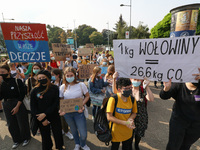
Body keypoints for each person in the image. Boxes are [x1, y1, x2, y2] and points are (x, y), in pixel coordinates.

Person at [159, 68, 200, 150]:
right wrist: (166, 89)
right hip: (178, 122)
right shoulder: (179, 83)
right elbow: (164, 96)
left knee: (185, 146)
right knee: (173, 145)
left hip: (196, 126)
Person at [30, 70, 64, 150]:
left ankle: (59, 146)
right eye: (40, 78)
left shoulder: (55, 88)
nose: (41, 79)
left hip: (54, 115)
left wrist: (45, 113)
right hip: (41, 117)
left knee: (57, 132)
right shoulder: (34, 90)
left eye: (43, 77)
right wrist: (42, 119)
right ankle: (48, 147)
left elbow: (56, 103)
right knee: (45, 135)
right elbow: (33, 107)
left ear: (48, 77)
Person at [0, 64, 31, 149]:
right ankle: (16, 140)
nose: (1, 74)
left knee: (22, 122)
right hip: (6, 104)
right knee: (11, 123)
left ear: (9, 72)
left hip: (18, 103)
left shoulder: (17, 81)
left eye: (3, 72)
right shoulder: (1, 83)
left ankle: (26, 138)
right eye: (0, 72)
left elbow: (22, 95)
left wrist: (17, 106)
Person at [59, 67, 90, 150]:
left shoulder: (81, 85)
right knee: (73, 130)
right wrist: (62, 109)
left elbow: (87, 96)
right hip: (68, 114)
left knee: (83, 133)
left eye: (71, 75)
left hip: (79, 112)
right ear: (64, 76)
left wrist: (81, 105)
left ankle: (83, 144)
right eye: (67, 76)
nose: (69, 77)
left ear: (75, 75)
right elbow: (61, 100)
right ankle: (77, 144)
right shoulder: (62, 87)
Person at [106, 77, 137, 150]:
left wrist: (130, 119)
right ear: (119, 89)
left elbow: (134, 113)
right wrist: (125, 123)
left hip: (128, 132)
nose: (129, 90)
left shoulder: (132, 99)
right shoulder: (113, 99)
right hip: (115, 132)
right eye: (126, 89)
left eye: (130, 88)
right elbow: (109, 117)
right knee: (115, 147)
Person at [130, 78, 154, 150]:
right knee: (129, 132)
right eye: (134, 79)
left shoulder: (143, 89)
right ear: (130, 79)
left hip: (142, 117)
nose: (136, 81)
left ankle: (136, 145)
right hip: (130, 117)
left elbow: (151, 99)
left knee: (139, 132)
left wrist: (147, 87)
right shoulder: (128, 89)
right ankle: (129, 145)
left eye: (138, 79)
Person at [51, 68, 74, 140]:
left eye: (53, 75)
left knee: (64, 118)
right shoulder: (52, 82)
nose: (52, 76)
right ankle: (61, 129)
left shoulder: (63, 82)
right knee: (57, 118)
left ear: (57, 75)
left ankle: (67, 131)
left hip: (63, 102)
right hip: (55, 103)